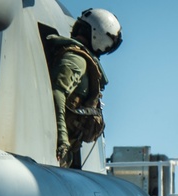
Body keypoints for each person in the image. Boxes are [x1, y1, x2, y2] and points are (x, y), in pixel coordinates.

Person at [45, 8, 122, 169]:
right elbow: (58, 93)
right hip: (60, 148)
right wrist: (62, 138)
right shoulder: (76, 59)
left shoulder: (78, 57)